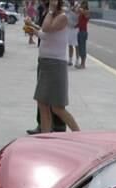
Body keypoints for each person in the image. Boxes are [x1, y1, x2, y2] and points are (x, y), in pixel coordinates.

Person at [28, 0, 80, 132]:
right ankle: (45, 137)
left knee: (57, 108)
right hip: (45, 63)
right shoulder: (52, 15)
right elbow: (45, 35)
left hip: (55, 65)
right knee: (43, 104)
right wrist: (32, 28)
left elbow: (46, 28)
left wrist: (50, 11)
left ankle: (78, 133)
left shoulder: (62, 17)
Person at [75, 0, 87, 67]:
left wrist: (78, 5)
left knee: (83, 48)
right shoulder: (81, 12)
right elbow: (75, 11)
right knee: (80, 48)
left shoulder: (86, 12)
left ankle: (83, 64)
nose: (82, 5)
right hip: (79, 31)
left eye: (83, 4)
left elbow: (84, 14)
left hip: (83, 32)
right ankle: (81, 63)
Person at [65, 0, 76, 66]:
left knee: (77, 46)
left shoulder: (76, 8)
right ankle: (70, 60)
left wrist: (74, 9)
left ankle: (77, 61)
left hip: (75, 29)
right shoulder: (67, 8)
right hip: (69, 29)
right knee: (70, 45)